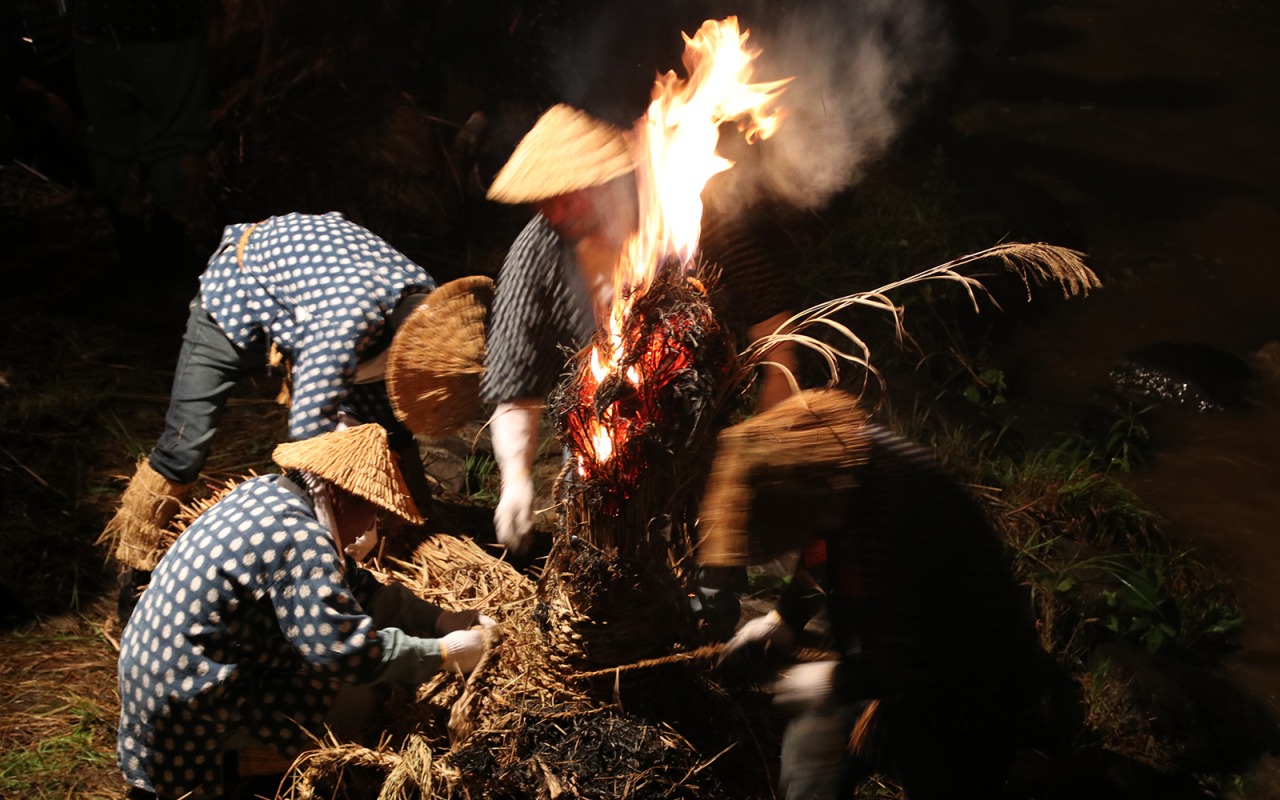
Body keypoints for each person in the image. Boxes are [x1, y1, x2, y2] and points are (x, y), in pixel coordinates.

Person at [479, 103, 801, 563]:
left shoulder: (685, 212)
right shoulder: (538, 250)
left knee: (710, 571)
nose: (555, 212)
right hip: (596, 445)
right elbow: (515, 385)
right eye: (544, 200)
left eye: (568, 196)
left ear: (608, 180)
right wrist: (515, 478)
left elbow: (774, 329)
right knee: (601, 565)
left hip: (700, 435)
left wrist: (765, 439)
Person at [116, 422, 495, 800]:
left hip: (150, 675)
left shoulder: (266, 491)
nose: (369, 528)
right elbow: (347, 653)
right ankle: (237, 770)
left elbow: (354, 587)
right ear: (341, 496)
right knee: (357, 701)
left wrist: (438, 619)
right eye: (371, 513)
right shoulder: (303, 538)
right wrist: (443, 653)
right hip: (190, 707)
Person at [699, 389, 1043, 800]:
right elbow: (821, 556)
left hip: (966, 684)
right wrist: (783, 620)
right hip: (883, 662)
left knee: (943, 775)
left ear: (817, 500)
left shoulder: (904, 511)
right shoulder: (834, 475)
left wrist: (834, 682)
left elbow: (928, 652)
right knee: (809, 756)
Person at [103, 211, 438, 622]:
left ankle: (415, 538)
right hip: (236, 297)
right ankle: (137, 571)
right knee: (184, 444)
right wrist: (326, 549)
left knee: (392, 432)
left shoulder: (427, 302)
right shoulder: (345, 323)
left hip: (316, 310)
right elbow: (309, 438)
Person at [71, 0, 217, 271]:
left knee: (112, 137)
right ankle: (172, 240)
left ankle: (130, 237)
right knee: (177, 136)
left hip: (95, 26)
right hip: (166, 27)